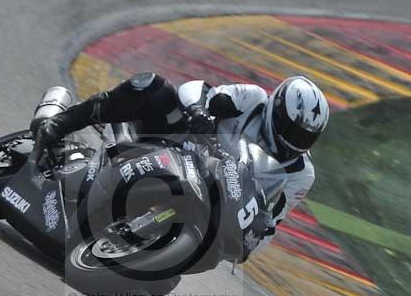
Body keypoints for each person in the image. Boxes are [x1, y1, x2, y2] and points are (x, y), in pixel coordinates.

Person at [31, 72, 329, 254]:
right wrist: (200, 111)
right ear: (276, 110)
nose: (294, 141)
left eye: (305, 137)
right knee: (155, 87)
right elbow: (199, 89)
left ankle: (146, 247)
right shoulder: (254, 99)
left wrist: (250, 239)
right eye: (292, 130)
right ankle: (61, 122)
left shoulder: (301, 174)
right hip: (181, 146)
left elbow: (271, 223)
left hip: (216, 200)